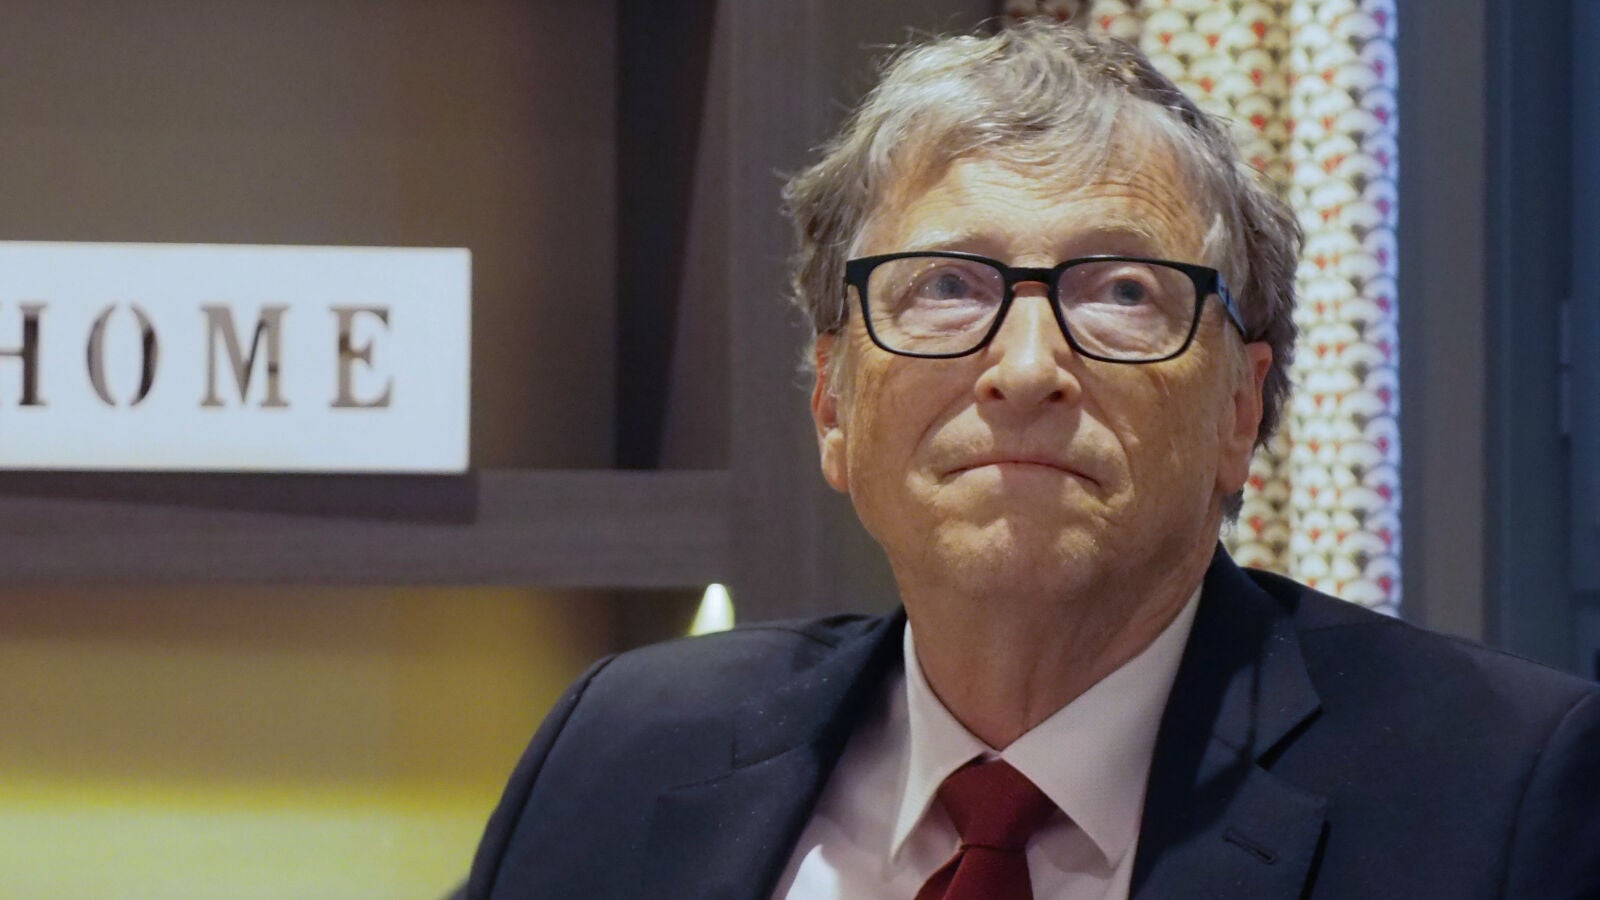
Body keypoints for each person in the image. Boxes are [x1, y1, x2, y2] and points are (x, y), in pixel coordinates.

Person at [465, 23, 1600, 900]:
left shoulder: (1498, 794)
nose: (1022, 369)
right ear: (832, 404)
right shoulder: (619, 748)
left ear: (1239, 410)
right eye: (945, 285)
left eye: (1121, 293)